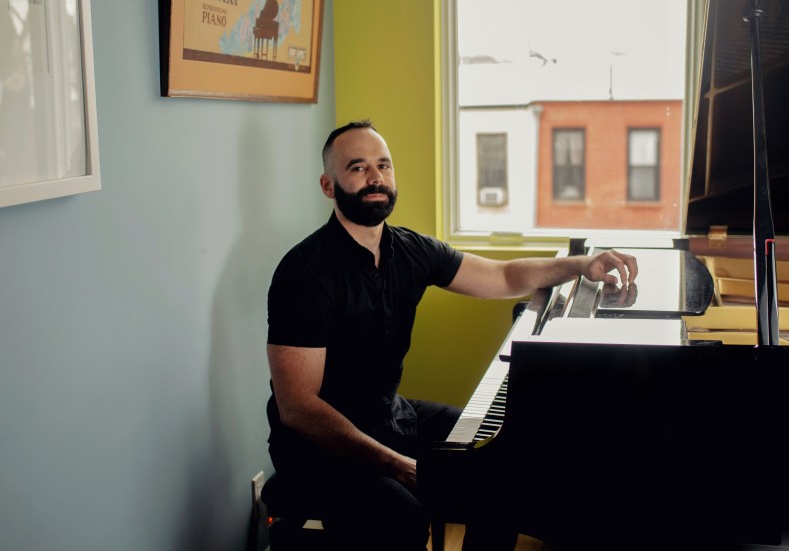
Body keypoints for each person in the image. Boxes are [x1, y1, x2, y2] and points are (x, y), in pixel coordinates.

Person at [265, 119, 637, 550]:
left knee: (501, 466)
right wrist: (397, 464)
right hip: (317, 449)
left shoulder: (410, 249)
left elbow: (501, 276)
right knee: (401, 517)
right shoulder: (304, 272)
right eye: (358, 168)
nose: (375, 178)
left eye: (383, 166)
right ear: (329, 186)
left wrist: (580, 265)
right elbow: (299, 409)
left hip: (387, 415)